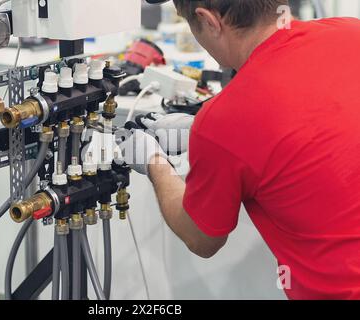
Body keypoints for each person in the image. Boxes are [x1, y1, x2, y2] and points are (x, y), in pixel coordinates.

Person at [119, 0, 360, 299]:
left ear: (209, 20)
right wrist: (202, 129)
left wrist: (154, 161)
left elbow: (201, 237)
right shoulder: (352, 32)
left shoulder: (225, 119)